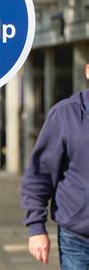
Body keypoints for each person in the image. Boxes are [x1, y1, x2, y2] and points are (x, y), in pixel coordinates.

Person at [20, 62, 89, 269]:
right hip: (78, 239)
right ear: (88, 71)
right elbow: (38, 175)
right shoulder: (64, 115)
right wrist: (36, 228)